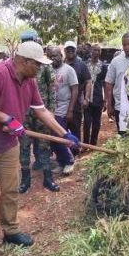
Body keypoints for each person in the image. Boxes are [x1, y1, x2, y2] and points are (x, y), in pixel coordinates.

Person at [0, 41, 79, 256]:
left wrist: (63, 134)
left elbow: (41, 111)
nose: (41, 69)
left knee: (11, 188)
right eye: (37, 65)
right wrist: (7, 118)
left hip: (6, 141)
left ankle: (10, 231)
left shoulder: (29, 80)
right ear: (23, 61)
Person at [19, 35, 59, 193]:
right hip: (24, 114)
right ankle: (25, 181)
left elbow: (52, 90)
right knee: (24, 146)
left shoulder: (45, 66)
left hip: (42, 113)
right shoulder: (21, 67)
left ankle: (48, 179)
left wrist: (51, 112)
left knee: (44, 145)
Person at [51, 47, 78, 175]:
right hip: (51, 109)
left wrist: (70, 110)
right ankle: (61, 162)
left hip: (64, 107)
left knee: (59, 136)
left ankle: (69, 161)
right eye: (51, 56)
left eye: (56, 55)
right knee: (52, 138)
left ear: (61, 56)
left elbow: (75, 90)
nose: (53, 58)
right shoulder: (49, 69)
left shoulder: (69, 70)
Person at [63, 41, 91, 150]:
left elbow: (88, 81)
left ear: (75, 50)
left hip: (76, 105)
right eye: (68, 49)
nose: (70, 51)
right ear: (64, 50)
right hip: (61, 104)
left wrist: (86, 98)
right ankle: (64, 156)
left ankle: (74, 153)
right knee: (62, 130)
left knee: (75, 130)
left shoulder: (81, 65)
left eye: (72, 49)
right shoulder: (60, 64)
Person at [83, 44, 107, 145]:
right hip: (86, 99)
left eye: (98, 50)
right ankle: (85, 144)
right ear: (90, 51)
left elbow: (105, 84)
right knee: (87, 123)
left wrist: (106, 100)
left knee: (96, 123)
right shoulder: (84, 65)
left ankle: (93, 144)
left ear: (100, 52)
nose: (96, 52)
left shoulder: (103, 66)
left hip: (98, 98)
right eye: (94, 50)